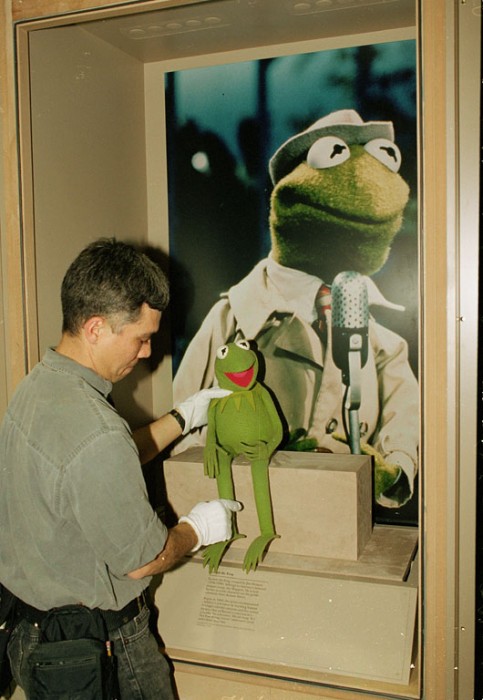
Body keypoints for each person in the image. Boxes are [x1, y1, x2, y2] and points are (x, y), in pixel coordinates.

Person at [0, 238, 239, 699]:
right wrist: (199, 528)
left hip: (32, 633)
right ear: (95, 328)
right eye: (141, 337)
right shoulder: (95, 432)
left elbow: (92, 467)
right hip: (101, 646)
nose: (147, 351)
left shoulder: (37, 387)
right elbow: (144, 560)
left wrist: (183, 417)